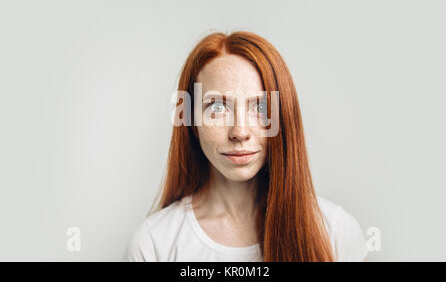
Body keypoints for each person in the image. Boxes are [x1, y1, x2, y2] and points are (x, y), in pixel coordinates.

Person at [122, 31, 368, 261]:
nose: (239, 132)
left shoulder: (337, 232)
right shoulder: (153, 243)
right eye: (217, 107)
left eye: (260, 108)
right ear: (192, 123)